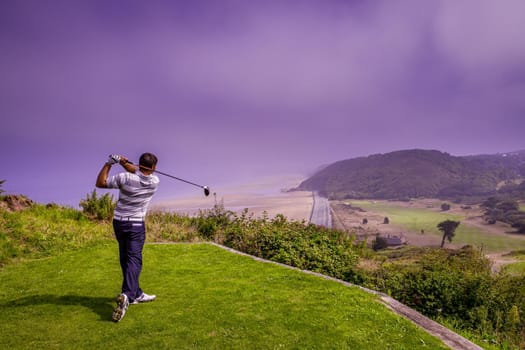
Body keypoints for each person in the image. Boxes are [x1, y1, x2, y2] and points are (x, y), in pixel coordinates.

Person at [96, 153, 160, 322]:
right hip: (136, 225)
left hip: (119, 223)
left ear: (140, 164)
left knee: (125, 258)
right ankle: (127, 295)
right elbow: (136, 172)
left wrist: (110, 163)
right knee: (134, 259)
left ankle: (136, 293)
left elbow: (100, 183)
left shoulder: (124, 178)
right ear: (153, 168)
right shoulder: (154, 182)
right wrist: (124, 163)